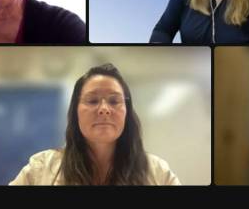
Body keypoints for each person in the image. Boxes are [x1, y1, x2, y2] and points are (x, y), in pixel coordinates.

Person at [10, 63, 181, 185]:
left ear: (127, 112)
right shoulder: (40, 169)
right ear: (75, 112)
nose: (104, 109)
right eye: (92, 101)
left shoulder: (158, 172)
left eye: (114, 101)